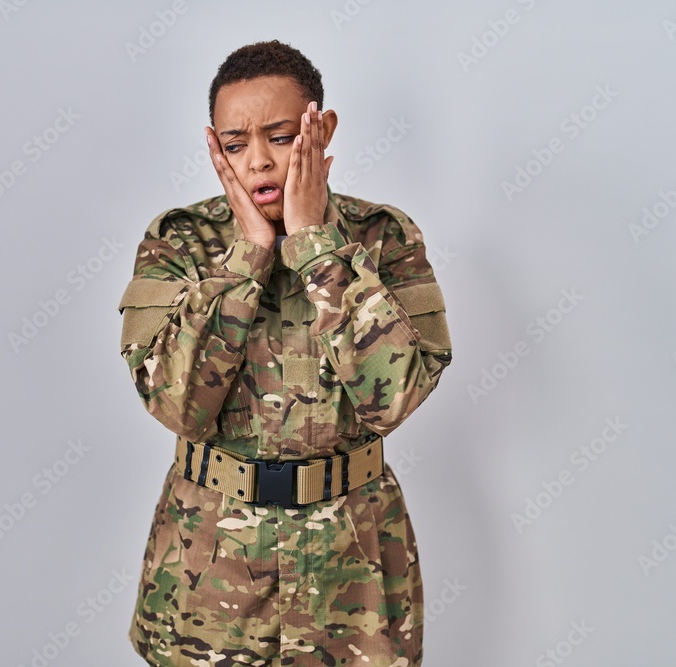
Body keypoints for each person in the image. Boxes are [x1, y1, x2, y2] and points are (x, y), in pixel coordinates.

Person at [118, 39, 452, 667]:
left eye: (280, 136)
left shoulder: (383, 237)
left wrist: (315, 245)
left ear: (320, 128)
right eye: (236, 145)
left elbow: (397, 395)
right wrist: (248, 254)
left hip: (352, 561)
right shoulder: (180, 243)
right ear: (216, 146)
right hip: (209, 564)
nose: (260, 163)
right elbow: (177, 404)